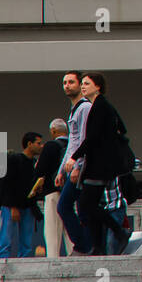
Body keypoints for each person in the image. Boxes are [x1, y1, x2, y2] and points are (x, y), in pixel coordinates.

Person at [63, 73, 131, 256]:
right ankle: (98, 246)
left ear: (98, 86)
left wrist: (73, 158)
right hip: (100, 164)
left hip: (100, 166)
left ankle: (118, 232)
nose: (83, 87)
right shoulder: (100, 106)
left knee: (86, 205)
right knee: (89, 205)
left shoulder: (100, 107)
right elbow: (121, 128)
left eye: (87, 83)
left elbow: (91, 138)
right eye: (82, 83)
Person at [54, 72, 92, 255]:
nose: (67, 85)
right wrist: (61, 171)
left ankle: (83, 245)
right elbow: (72, 142)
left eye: (71, 82)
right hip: (73, 167)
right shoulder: (75, 109)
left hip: (81, 167)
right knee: (80, 208)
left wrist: (77, 166)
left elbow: (85, 140)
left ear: (80, 85)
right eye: (64, 83)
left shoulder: (84, 108)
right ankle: (86, 244)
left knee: (64, 206)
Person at [0, 132, 43, 258]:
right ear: (29, 144)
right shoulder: (15, 160)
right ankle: (2, 264)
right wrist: (13, 207)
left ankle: (24, 264)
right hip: (12, 205)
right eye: (38, 143)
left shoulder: (35, 163)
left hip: (28, 205)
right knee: (6, 240)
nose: (41, 146)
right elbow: (7, 184)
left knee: (26, 242)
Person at [33, 118, 68, 259]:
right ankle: (75, 255)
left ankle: (52, 259)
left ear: (53, 131)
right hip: (72, 192)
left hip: (53, 192)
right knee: (70, 227)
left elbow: (40, 170)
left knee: (53, 228)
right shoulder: (75, 144)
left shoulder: (51, 146)